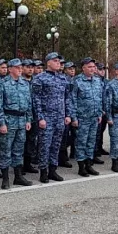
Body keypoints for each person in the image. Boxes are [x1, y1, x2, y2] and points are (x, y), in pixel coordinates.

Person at [31, 52, 71, 183]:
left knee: (56, 145)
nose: (58, 63)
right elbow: (35, 99)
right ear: (48, 62)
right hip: (46, 117)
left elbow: (66, 98)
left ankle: (53, 170)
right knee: (44, 145)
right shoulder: (40, 78)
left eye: (59, 61)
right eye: (55, 61)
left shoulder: (63, 78)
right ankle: (43, 171)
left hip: (60, 117)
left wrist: (67, 114)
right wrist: (40, 118)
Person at [0, 59, 33, 189]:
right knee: (6, 149)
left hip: (21, 120)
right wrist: (1, 123)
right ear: (10, 69)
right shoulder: (3, 83)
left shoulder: (25, 83)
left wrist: (28, 119)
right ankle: (5, 178)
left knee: (19, 149)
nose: (20, 69)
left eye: (20, 67)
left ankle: (18, 176)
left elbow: (29, 103)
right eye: (17, 67)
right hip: (9, 119)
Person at [70, 58, 104, 178]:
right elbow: (72, 100)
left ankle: (89, 165)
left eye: (93, 67)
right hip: (82, 118)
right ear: (83, 68)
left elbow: (99, 98)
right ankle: (81, 167)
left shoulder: (97, 80)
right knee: (81, 143)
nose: (92, 69)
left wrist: (99, 113)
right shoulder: (77, 81)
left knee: (91, 142)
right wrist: (73, 118)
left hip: (94, 117)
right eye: (89, 67)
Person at [21, 59, 39, 174]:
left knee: (31, 141)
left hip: (34, 116)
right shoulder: (19, 81)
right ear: (22, 68)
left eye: (32, 67)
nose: (30, 69)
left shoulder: (36, 82)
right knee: (21, 141)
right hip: (22, 117)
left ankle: (28, 164)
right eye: (28, 67)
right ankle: (19, 165)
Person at [94, 62, 109, 160]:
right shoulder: (95, 81)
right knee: (95, 132)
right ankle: (95, 151)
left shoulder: (106, 81)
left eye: (104, 69)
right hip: (97, 110)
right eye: (100, 69)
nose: (103, 71)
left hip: (105, 110)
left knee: (101, 130)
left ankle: (99, 147)